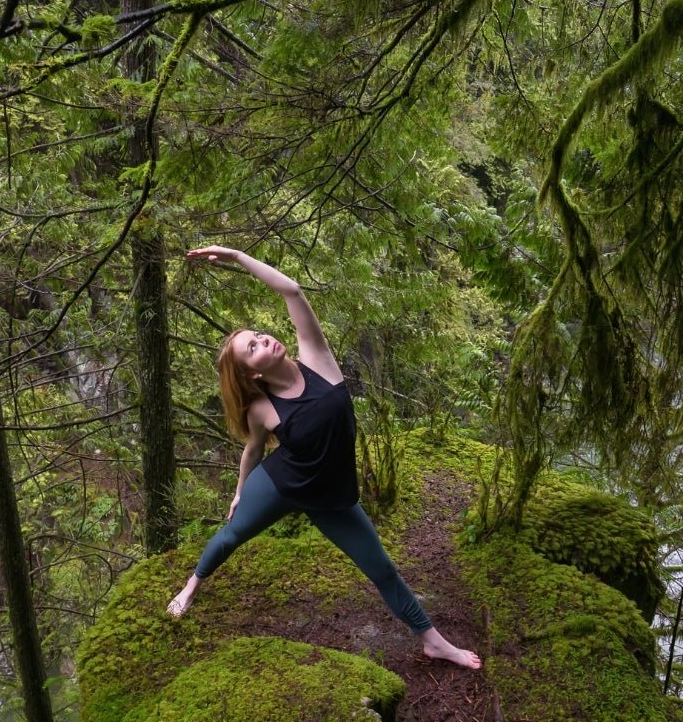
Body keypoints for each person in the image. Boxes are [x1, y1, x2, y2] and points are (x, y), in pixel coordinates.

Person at [167, 245, 482, 670]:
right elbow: (254, 449)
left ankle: (434, 642)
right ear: (253, 373)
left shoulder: (317, 360)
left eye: (258, 334)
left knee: (382, 569)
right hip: (280, 485)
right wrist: (241, 492)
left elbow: (292, 292)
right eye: (253, 347)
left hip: (331, 497)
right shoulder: (262, 408)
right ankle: (191, 587)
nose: (264, 339)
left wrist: (238, 257)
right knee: (230, 537)